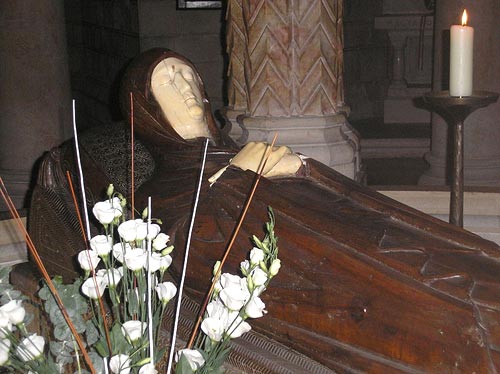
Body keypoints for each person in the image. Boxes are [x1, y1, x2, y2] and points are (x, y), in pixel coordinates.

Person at [32, 48, 500, 372]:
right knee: (438, 308)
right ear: (146, 112)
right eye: (166, 82)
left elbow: (357, 205)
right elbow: (177, 249)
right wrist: (230, 179)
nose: (185, 85)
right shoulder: (161, 190)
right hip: (332, 278)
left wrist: (304, 171)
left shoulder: (247, 150)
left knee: (451, 261)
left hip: (370, 239)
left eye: (186, 73)